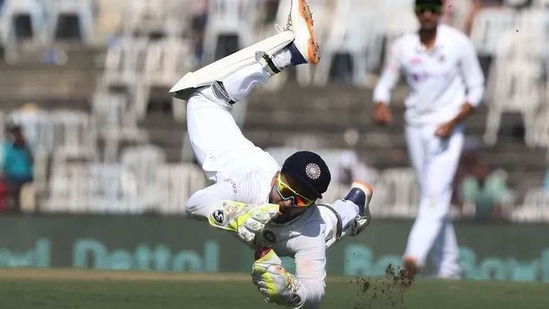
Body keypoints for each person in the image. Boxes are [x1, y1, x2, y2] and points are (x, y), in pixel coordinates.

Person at [169, 1, 373, 307]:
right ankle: (288, 55)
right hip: (231, 156)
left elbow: (314, 293)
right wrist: (236, 215)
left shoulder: (309, 228)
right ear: (278, 177)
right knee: (203, 98)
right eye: (287, 190)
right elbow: (194, 204)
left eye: (302, 199)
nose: (289, 203)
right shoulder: (253, 185)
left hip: (320, 223)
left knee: (335, 221)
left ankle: (356, 205)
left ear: (312, 201)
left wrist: (292, 293)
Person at [372, 0, 485, 279]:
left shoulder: (458, 43)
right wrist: (380, 104)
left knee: (435, 194)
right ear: (416, 12)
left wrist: (454, 121)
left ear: (440, 12)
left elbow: (477, 88)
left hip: (448, 128)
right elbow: (385, 82)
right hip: (416, 127)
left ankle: (414, 256)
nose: (427, 15)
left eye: (432, 10)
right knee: (432, 197)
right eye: (422, 9)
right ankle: (449, 267)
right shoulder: (403, 46)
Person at [1, 123, 34, 213]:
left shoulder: (27, 147)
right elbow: (5, 164)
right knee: (10, 187)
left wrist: (25, 148)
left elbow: (31, 161)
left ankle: (18, 208)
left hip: (25, 176)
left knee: (17, 188)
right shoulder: (7, 147)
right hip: (11, 176)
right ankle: (12, 207)